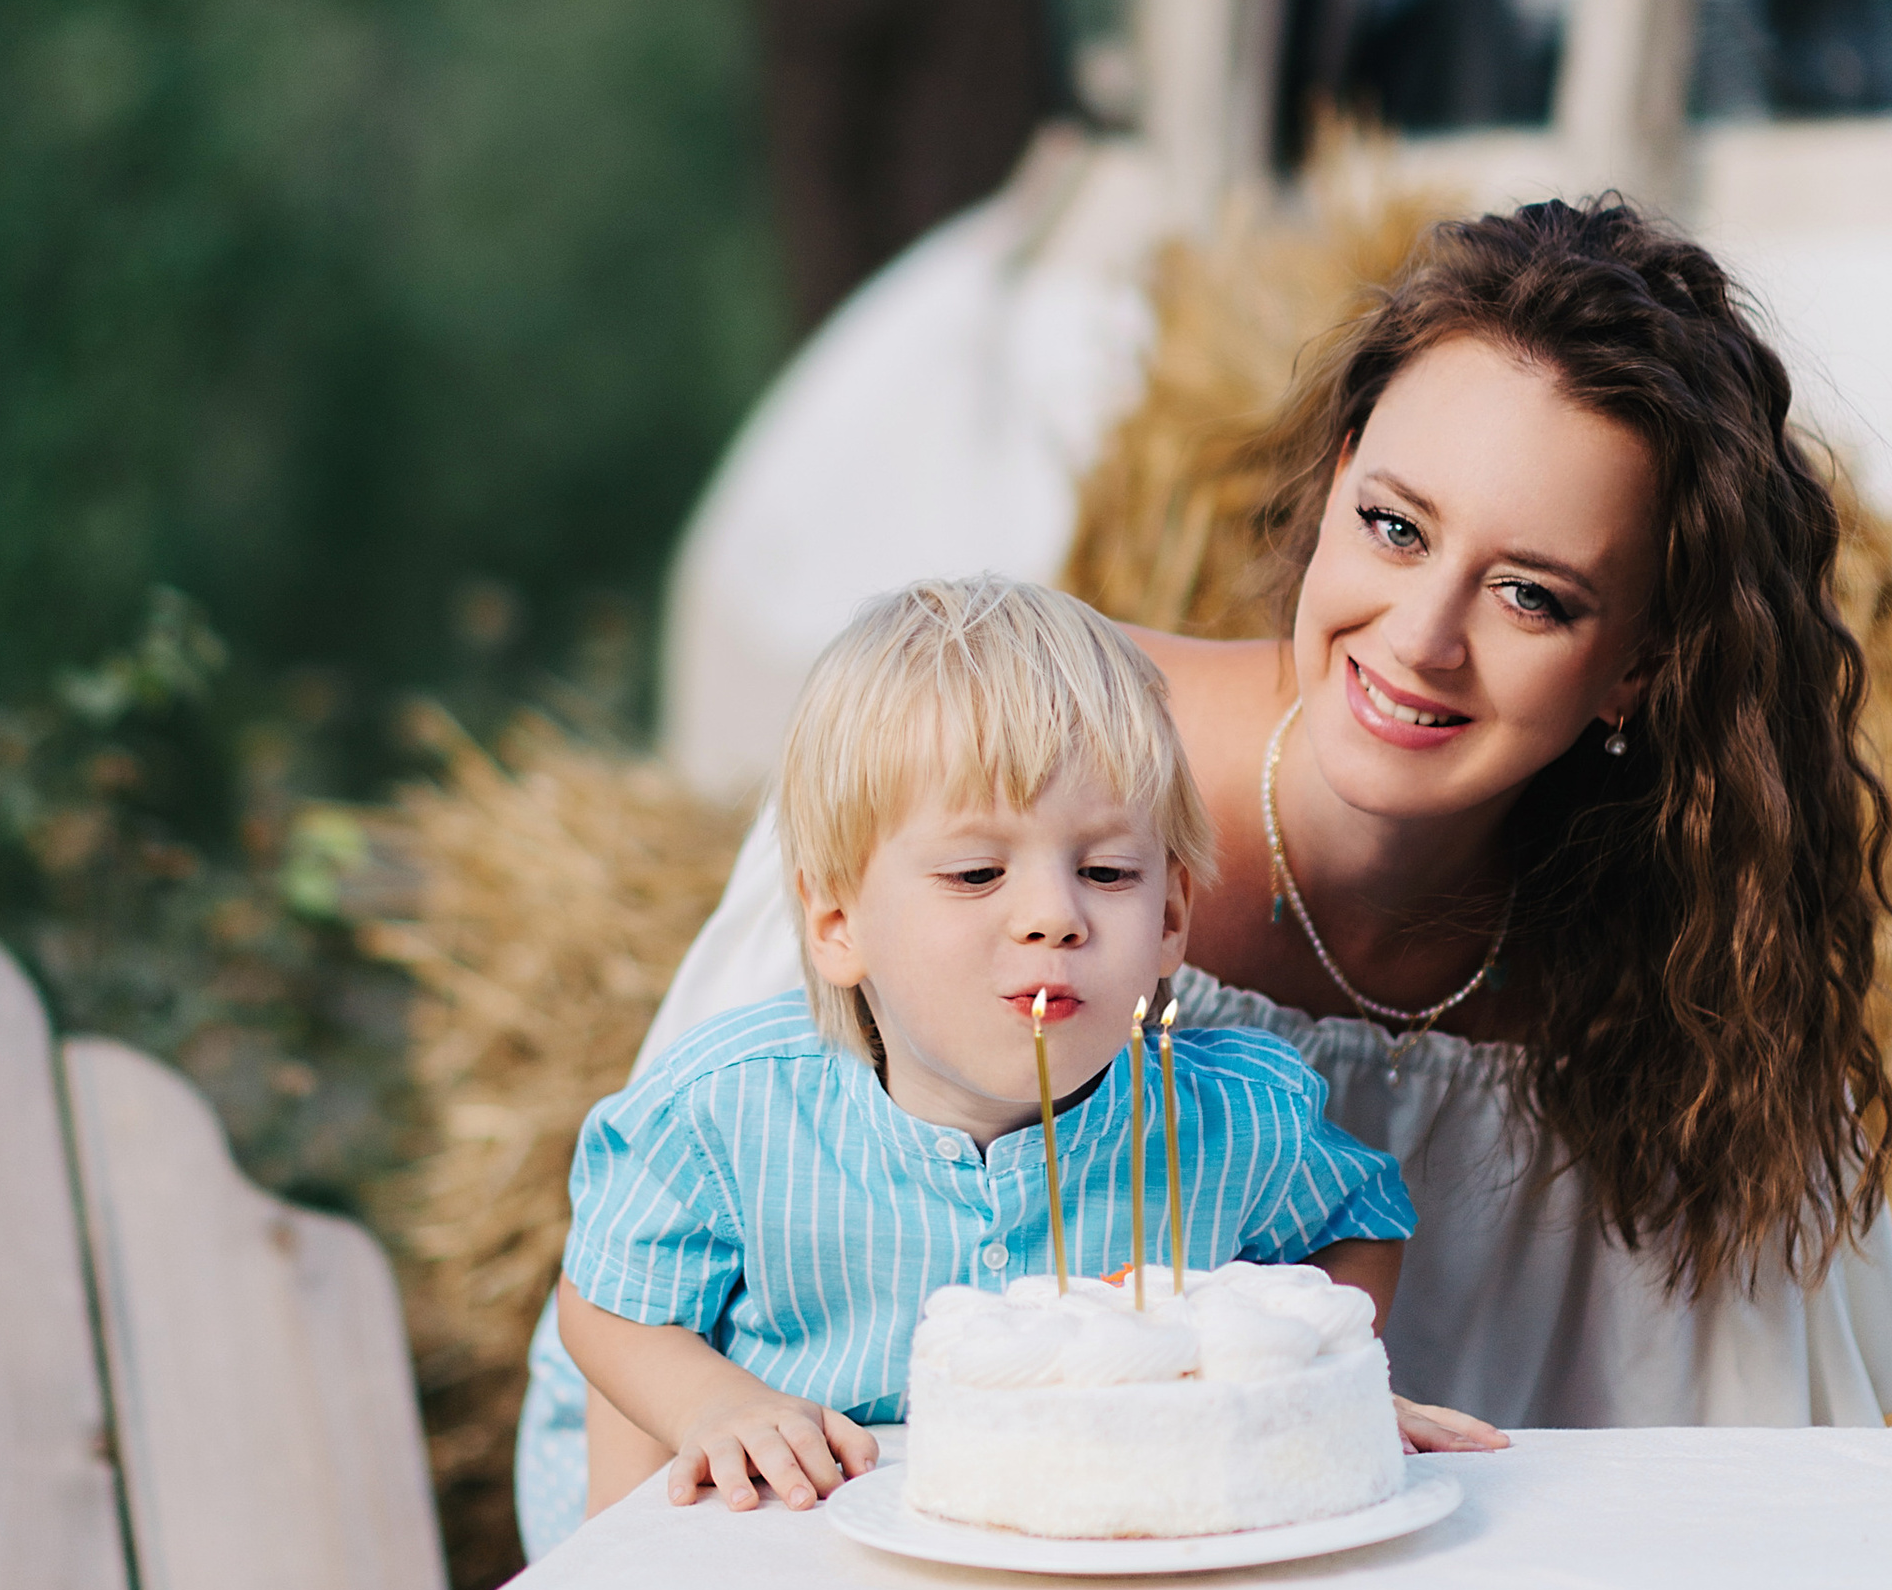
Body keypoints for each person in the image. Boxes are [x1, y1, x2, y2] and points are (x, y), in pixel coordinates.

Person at [518, 196, 1892, 1554]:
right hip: (780, 1514)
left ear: (1637, 662)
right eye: (1394, 525)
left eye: (1533, 594)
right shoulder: (1004, 754)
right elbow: (665, 1280)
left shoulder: (1687, 958)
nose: (1422, 636)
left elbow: (1742, 1473)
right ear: (1328, 502)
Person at [533, 574, 1422, 1531]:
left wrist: (1298, 1369)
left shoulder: (1233, 1117)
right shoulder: (730, 1112)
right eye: (976, 872)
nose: (1053, 916)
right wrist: (710, 1404)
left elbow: (1360, 1217)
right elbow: (611, 1300)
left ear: (1170, 919)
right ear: (837, 922)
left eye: (1106, 871)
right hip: (793, 1553)